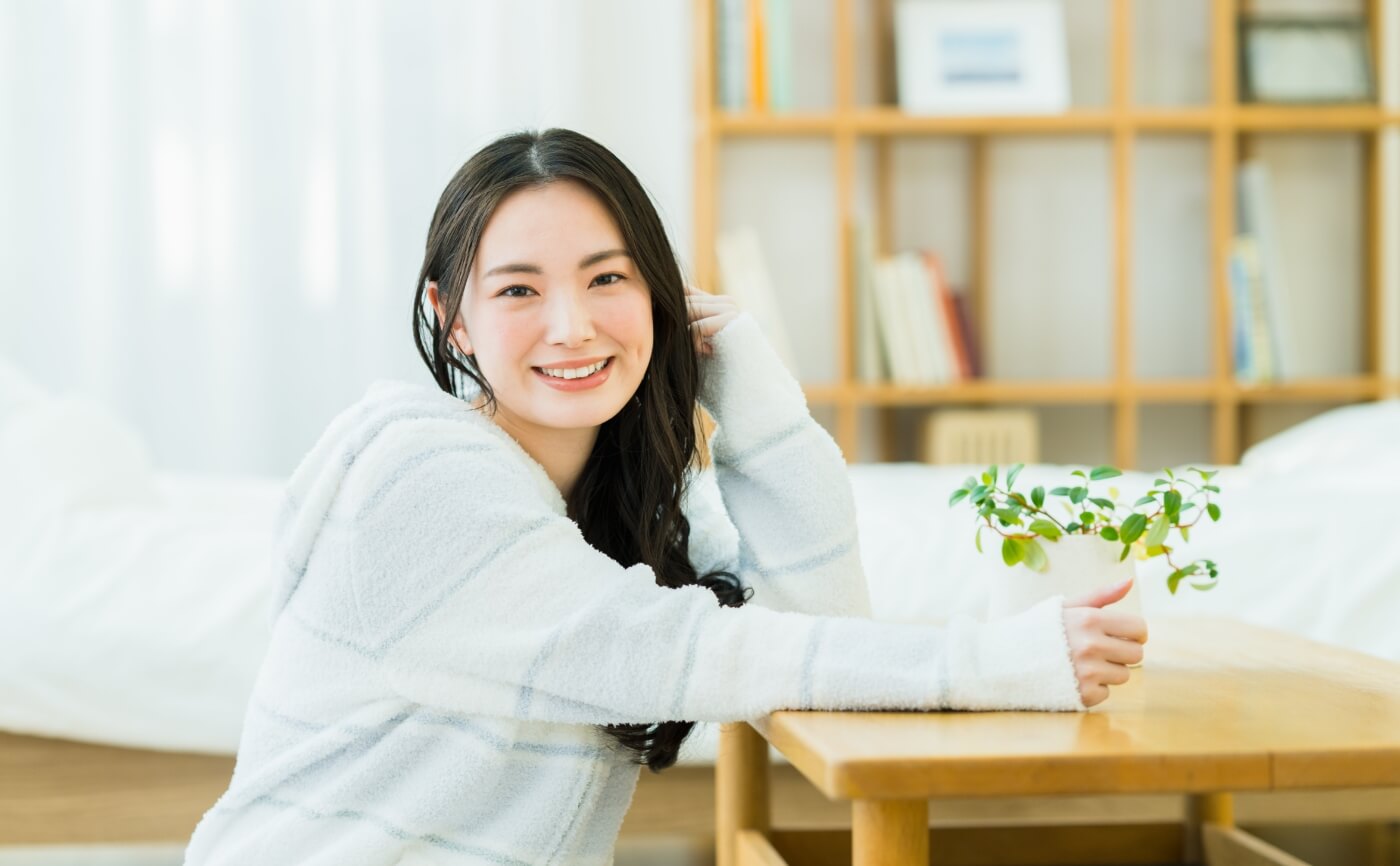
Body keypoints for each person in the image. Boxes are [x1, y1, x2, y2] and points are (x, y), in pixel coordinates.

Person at [183, 127, 1146, 865]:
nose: (572, 326)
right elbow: (699, 653)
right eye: (518, 291)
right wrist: (998, 660)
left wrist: (759, 408)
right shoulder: (424, 480)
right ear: (453, 320)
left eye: (608, 278)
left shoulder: (617, 508)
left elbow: (815, 627)